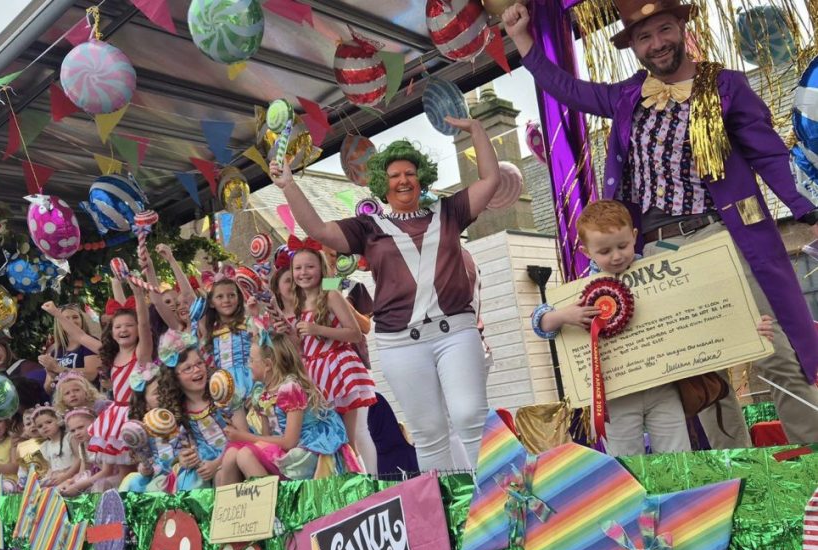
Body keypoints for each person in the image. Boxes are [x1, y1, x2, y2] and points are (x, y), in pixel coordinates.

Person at [503, 0, 818, 446]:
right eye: (644, 37)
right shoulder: (627, 96)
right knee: (698, 367)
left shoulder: (726, 86)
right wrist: (522, 41)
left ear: (681, 28)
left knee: (775, 350)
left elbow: (769, 154)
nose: (657, 43)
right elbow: (567, 89)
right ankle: (738, 469)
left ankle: (814, 462)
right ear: (633, 45)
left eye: (664, 30)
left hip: (722, 236)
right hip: (655, 250)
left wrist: (809, 212)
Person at [272, 120, 501, 471]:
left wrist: (476, 129)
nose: (403, 180)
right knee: (428, 430)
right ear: (383, 183)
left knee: (469, 414)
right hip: (398, 343)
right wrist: (287, 184)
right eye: (394, 175)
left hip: (452, 332)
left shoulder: (448, 213)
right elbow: (317, 229)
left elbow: (490, 181)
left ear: (421, 177)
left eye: (410, 172)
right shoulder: (367, 231)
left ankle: (494, 497)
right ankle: (447, 505)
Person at [531, 201, 771, 455]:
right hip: (616, 396)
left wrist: (750, 327)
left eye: (622, 246)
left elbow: (704, 312)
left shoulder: (665, 272)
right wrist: (563, 315)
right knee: (627, 463)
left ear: (634, 236)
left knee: (678, 457)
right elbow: (540, 322)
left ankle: (677, 496)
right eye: (604, 251)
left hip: (664, 388)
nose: (616, 256)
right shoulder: (580, 291)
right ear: (586, 251)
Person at [218, 331, 361, 483]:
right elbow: (266, 439)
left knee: (245, 455)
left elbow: (289, 442)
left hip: (304, 450)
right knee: (232, 454)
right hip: (281, 448)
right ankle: (234, 505)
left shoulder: (290, 389)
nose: (248, 364)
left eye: (252, 360)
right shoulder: (262, 392)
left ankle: (275, 503)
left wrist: (244, 437)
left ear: (267, 365)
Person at [289, 243, 378, 472]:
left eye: (310, 266)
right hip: (314, 373)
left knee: (351, 437)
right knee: (329, 437)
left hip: (338, 368)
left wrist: (318, 329)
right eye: (298, 268)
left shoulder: (332, 293)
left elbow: (356, 332)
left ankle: (366, 481)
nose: (303, 272)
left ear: (321, 268)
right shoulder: (297, 302)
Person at [89, 280, 153, 483]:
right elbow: (81, 336)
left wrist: (138, 295)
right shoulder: (112, 356)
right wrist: (56, 313)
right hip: (118, 416)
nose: (123, 329)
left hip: (138, 412)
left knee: (145, 466)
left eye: (128, 326)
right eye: (118, 326)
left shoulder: (141, 353)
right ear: (112, 331)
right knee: (126, 472)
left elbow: (144, 324)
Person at [170, 347, 247, 490]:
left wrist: (217, 464)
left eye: (199, 363)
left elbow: (243, 435)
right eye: (188, 368)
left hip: (234, 451)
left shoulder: (224, 394)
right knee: (186, 481)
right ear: (175, 378)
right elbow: (182, 449)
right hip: (204, 463)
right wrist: (185, 459)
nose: (197, 370)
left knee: (220, 474)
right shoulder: (179, 411)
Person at [40, 303, 101, 394]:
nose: (71, 321)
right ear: (59, 323)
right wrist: (52, 376)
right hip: (63, 404)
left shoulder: (90, 344)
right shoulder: (56, 350)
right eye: (66, 318)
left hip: (88, 400)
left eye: (75, 317)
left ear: (82, 320)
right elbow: (48, 389)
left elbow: (91, 374)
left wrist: (59, 369)